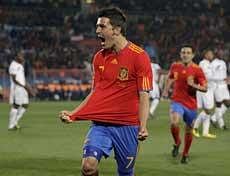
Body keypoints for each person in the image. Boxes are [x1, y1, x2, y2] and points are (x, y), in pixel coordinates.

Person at [59, 7, 153, 176]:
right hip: (101, 124)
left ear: (116, 30)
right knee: (88, 167)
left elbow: (144, 94)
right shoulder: (99, 58)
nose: (97, 31)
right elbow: (96, 93)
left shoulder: (139, 56)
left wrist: (143, 126)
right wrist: (74, 114)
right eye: (97, 27)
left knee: (125, 173)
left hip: (127, 126)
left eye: (102, 27)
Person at [162, 44, 207, 164]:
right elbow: (170, 78)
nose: (185, 55)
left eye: (188, 53)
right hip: (177, 101)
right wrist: (166, 90)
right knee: (174, 122)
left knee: (189, 129)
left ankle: (185, 153)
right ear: (180, 54)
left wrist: (194, 85)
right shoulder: (175, 66)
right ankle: (177, 142)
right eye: (183, 52)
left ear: (192, 55)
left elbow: (205, 88)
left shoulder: (197, 70)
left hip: (191, 104)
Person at [8, 50, 35, 130]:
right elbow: (14, 80)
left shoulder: (20, 65)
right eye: (21, 56)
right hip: (17, 88)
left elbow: (22, 79)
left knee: (25, 105)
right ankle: (11, 125)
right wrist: (25, 87)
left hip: (22, 87)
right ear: (16, 57)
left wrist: (29, 88)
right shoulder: (13, 65)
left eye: (23, 56)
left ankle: (15, 122)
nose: (23, 57)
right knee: (16, 105)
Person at [193, 49, 216, 138]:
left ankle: (205, 132)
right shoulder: (203, 63)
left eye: (212, 54)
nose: (211, 55)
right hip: (204, 89)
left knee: (208, 111)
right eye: (209, 54)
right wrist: (218, 78)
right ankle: (194, 127)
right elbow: (206, 76)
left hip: (209, 89)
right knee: (208, 110)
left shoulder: (210, 64)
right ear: (205, 55)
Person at [210, 56, 230, 130]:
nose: (222, 54)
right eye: (220, 52)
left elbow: (224, 74)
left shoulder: (223, 62)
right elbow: (211, 76)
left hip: (224, 86)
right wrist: (221, 78)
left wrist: (227, 79)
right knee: (219, 105)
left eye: (222, 53)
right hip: (217, 86)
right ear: (216, 54)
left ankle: (213, 118)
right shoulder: (213, 64)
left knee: (228, 103)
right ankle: (222, 125)